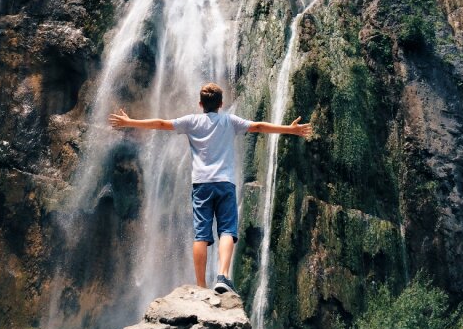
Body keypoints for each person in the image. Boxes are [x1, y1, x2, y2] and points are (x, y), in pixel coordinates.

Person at [108, 82, 312, 296]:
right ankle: (222, 277)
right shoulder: (229, 121)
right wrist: (290, 129)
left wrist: (129, 122)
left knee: (201, 235)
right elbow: (259, 127)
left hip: (201, 185)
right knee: (227, 230)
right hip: (225, 183)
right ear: (221, 104)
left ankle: (200, 286)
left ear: (200, 104)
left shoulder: (191, 121)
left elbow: (160, 123)